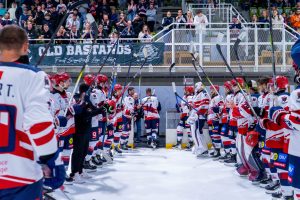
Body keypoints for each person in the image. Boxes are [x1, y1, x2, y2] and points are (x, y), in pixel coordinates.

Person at [0, 25, 62, 199]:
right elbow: (38, 125)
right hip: (20, 174)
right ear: (26, 47)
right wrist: (52, 160)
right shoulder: (33, 76)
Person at [174, 86, 194, 150]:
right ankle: (179, 143)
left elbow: (190, 106)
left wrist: (188, 105)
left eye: (186, 90)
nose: (184, 91)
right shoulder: (184, 97)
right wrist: (179, 106)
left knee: (188, 129)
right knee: (179, 128)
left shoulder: (190, 97)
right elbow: (183, 107)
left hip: (188, 115)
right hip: (183, 115)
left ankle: (191, 144)